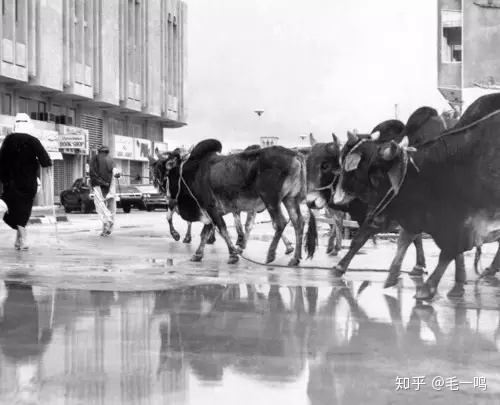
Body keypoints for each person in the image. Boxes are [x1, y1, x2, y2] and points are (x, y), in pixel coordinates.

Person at [0, 113, 52, 250]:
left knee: (12, 211)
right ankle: (20, 240)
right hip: (29, 183)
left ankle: (21, 240)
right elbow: (45, 161)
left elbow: (1, 161)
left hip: (10, 183)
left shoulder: (8, 140)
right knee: (23, 211)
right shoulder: (32, 140)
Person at [89, 145, 121, 236]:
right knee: (112, 209)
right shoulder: (111, 160)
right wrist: (118, 175)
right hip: (111, 189)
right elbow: (116, 173)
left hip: (99, 187)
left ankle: (107, 224)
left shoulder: (94, 159)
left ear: (99, 152)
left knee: (101, 208)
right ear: (107, 152)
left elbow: (92, 173)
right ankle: (108, 228)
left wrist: (100, 182)